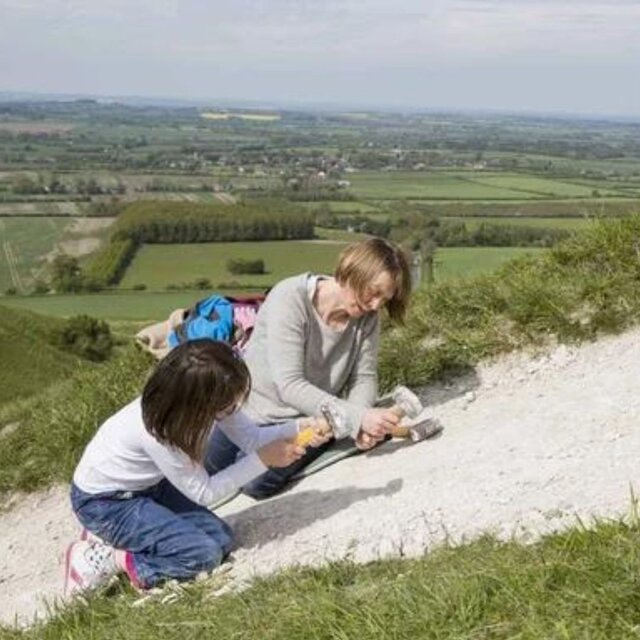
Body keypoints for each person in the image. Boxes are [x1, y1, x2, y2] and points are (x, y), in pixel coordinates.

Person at [65, 339, 325, 596]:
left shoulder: (204, 399)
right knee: (203, 555)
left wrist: (299, 428)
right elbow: (204, 493)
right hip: (106, 503)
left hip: (149, 487)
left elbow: (251, 438)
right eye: (226, 405)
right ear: (198, 403)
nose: (233, 408)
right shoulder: (160, 431)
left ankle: (122, 535)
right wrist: (265, 459)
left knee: (221, 538)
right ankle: (107, 558)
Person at [206, 237, 412, 499]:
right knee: (204, 473)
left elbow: (364, 376)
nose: (375, 305)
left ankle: (332, 433)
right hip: (249, 413)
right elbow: (290, 385)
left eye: (384, 299)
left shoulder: (367, 318)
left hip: (311, 419)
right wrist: (356, 419)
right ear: (351, 270)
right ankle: (337, 430)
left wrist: (358, 419)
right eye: (374, 291)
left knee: (256, 484)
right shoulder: (290, 298)